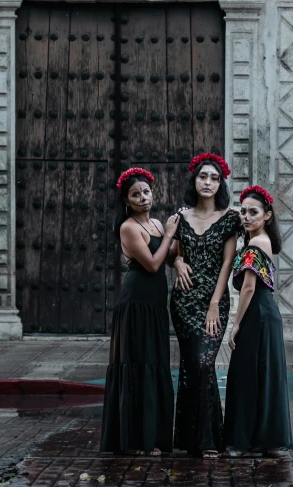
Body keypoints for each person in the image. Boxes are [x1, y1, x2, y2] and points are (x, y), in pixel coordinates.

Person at [100, 167, 180, 455]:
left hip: (156, 305)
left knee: (154, 365)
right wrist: (171, 234)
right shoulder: (128, 227)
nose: (143, 198)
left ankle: (153, 439)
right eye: (136, 195)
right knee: (137, 366)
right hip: (135, 304)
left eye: (146, 192)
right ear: (127, 201)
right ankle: (135, 441)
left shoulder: (157, 224)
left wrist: (178, 251)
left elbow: (170, 259)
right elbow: (153, 264)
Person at [170, 153, 241, 458]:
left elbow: (227, 263)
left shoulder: (230, 219)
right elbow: (173, 251)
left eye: (214, 178)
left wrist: (214, 303)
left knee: (204, 363)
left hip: (214, 302)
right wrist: (177, 261)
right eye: (203, 177)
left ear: (220, 183)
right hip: (184, 302)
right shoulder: (180, 218)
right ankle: (191, 439)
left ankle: (208, 438)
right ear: (194, 180)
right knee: (191, 365)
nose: (208, 182)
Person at [223, 185, 293, 456]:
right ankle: (259, 438)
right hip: (264, 314)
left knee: (247, 375)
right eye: (244, 212)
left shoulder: (256, 242)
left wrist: (236, 323)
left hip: (257, 314)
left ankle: (244, 441)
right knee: (259, 376)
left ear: (267, 215)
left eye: (254, 212)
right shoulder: (262, 240)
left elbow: (249, 288)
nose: (247, 216)